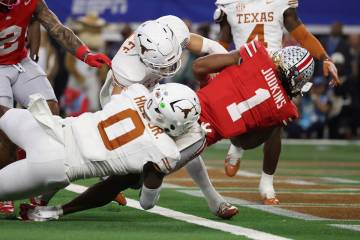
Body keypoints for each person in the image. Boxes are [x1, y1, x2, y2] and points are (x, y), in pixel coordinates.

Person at [22, 42, 315, 222]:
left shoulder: (255, 54)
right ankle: (60, 210)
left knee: (95, 141)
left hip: (179, 102)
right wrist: (273, 119)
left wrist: (228, 67)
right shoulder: (285, 109)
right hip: (197, 134)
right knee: (125, 177)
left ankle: (43, 197)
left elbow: (200, 66)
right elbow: (242, 140)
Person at [98, 16, 238, 218]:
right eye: (163, 66)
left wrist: (229, 72)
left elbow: (210, 46)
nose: (170, 68)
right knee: (130, 158)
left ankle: (214, 199)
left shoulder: (174, 29)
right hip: (127, 100)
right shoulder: (126, 70)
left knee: (187, 136)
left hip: (156, 91)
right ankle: (110, 179)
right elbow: (115, 114)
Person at [0, 81, 204, 208]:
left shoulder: (137, 92)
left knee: (2, 113)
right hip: (54, 164)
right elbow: (147, 203)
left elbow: (115, 89)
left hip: (50, 128)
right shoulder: (164, 150)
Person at [213, 0, 339, 204]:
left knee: (275, 126)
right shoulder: (230, 3)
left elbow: (302, 35)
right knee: (238, 121)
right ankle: (236, 146)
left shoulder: (280, 2)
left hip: (276, 70)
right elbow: (222, 42)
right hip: (242, 70)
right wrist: (215, 66)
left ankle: (267, 183)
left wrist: (325, 58)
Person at [0, 0, 111, 214]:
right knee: (5, 129)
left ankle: (38, 183)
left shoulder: (30, 2)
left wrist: (85, 54)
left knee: (50, 113)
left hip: (20, 63)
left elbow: (57, 28)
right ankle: (5, 191)